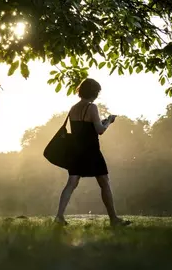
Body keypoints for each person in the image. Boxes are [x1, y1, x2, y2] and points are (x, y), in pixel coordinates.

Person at [54, 78, 131, 227]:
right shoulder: (92, 107)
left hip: (76, 151)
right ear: (94, 93)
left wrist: (102, 121)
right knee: (104, 183)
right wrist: (109, 121)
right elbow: (100, 130)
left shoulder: (73, 108)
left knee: (71, 183)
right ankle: (114, 219)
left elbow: (86, 127)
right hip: (91, 151)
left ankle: (59, 216)